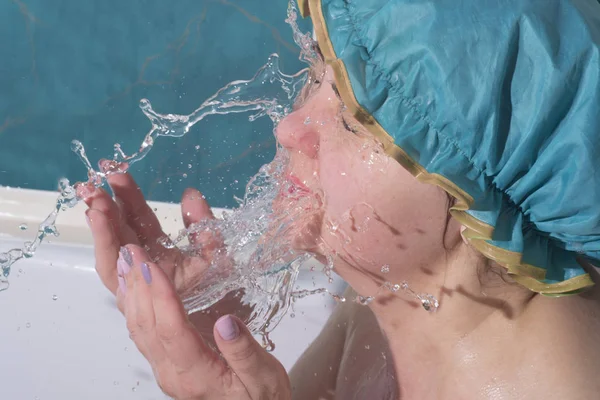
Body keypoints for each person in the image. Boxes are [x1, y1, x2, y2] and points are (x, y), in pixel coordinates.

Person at [83, 0, 600, 399]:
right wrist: (216, 335)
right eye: (314, 78)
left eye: (354, 122)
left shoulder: (543, 387)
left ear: (474, 200)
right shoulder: (388, 302)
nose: (290, 129)